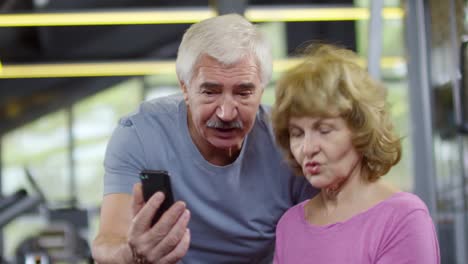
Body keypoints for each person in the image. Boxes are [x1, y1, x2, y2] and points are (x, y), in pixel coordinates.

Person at [91, 14, 316, 264]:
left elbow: (322, 235)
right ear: (185, 88)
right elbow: (107, 241)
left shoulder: (289, 140)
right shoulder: (140, 133)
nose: (226, 113)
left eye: (244, 93)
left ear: (262, 90)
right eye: (210, 92)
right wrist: (132, 253)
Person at [271, 44, 440, 263]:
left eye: (324, 130)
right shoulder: (290, 225)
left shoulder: (402, 218)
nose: (307, 148)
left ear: (361, 130)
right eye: (297, 133)